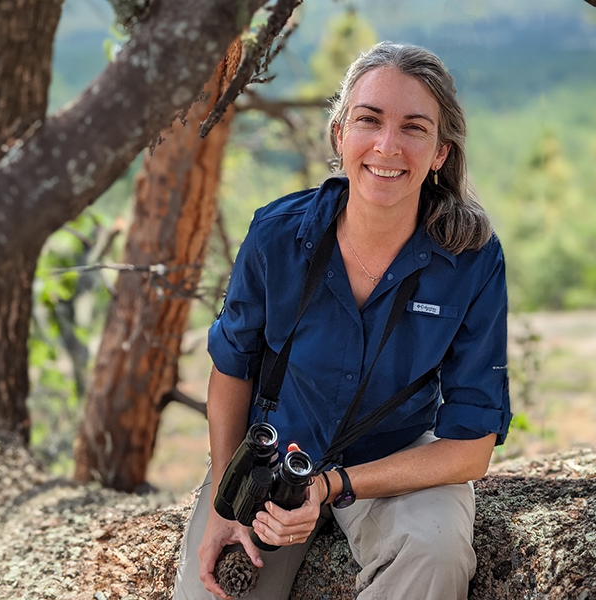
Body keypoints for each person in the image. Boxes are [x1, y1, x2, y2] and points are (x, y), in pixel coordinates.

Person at [173, 41, 511, 600]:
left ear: (440, 153)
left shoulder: (472, 260)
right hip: (273, 453)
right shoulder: (277, 235)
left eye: (414, 128)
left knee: (435, 551)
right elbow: (232, 369)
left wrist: (332, 485)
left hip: (394, 460)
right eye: (369, 120)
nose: (387, 145)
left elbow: (471, 447)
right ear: (339, 135)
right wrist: (224, 504)